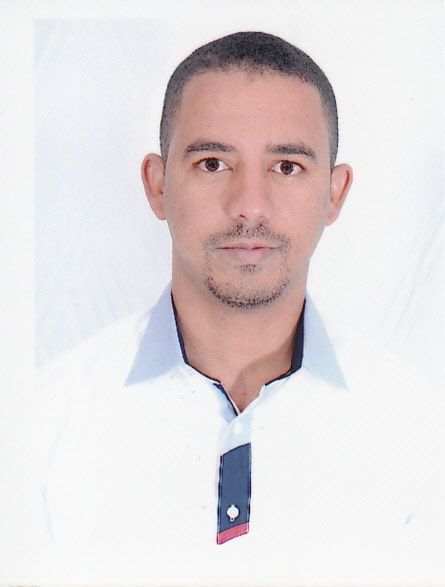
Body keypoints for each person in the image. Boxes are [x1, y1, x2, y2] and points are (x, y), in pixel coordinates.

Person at [29, 31, 444, 586]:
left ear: (334, 192)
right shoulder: (38, 427)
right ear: (157, 184)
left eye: (287, 166)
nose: (249, 205)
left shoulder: (420, 436)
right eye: (212, 163)